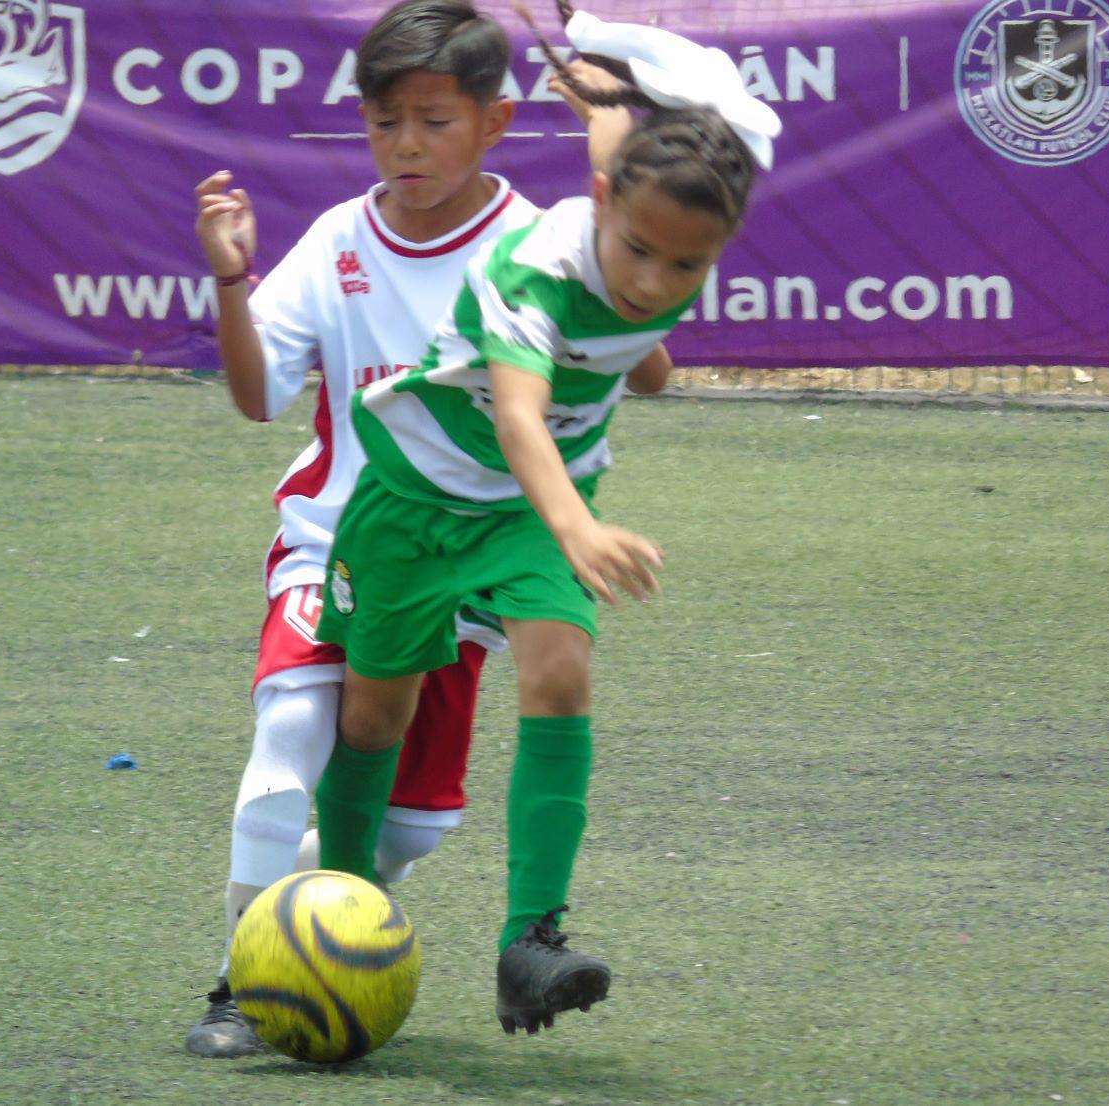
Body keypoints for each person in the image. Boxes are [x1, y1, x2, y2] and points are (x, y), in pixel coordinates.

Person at [310, 2, 779, 1035]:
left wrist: (597, 70)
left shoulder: (660, 198)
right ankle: (333, 913)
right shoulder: (532, 270)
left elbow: (619, 137)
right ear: (601, 207)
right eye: (641, 252)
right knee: (374, 717)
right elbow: (519, 417)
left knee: (561, 667)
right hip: (422, 500)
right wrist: (577, 528)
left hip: (532, 514)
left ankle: (532, 942)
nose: (655, 279)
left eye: (685, 268)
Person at [183, 0, 598, 1059]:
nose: (405, 145)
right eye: (382, 123)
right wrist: (232, 276)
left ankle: (324, 925)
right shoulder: (336, 241)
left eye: (433, 120)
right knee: (289, 738)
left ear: (496, 123)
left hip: (467, 557)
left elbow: (630, 362)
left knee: (415, 822)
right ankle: (241, 977)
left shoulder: (537, 243)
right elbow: (253, 395)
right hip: (336, 539)